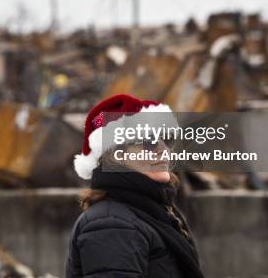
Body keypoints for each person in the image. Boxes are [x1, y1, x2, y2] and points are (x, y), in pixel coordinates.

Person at [66, 94, 205, 278]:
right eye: (149, 144)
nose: (164, 150)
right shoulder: (111, 224)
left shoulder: (154, 212)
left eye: (166, 140)